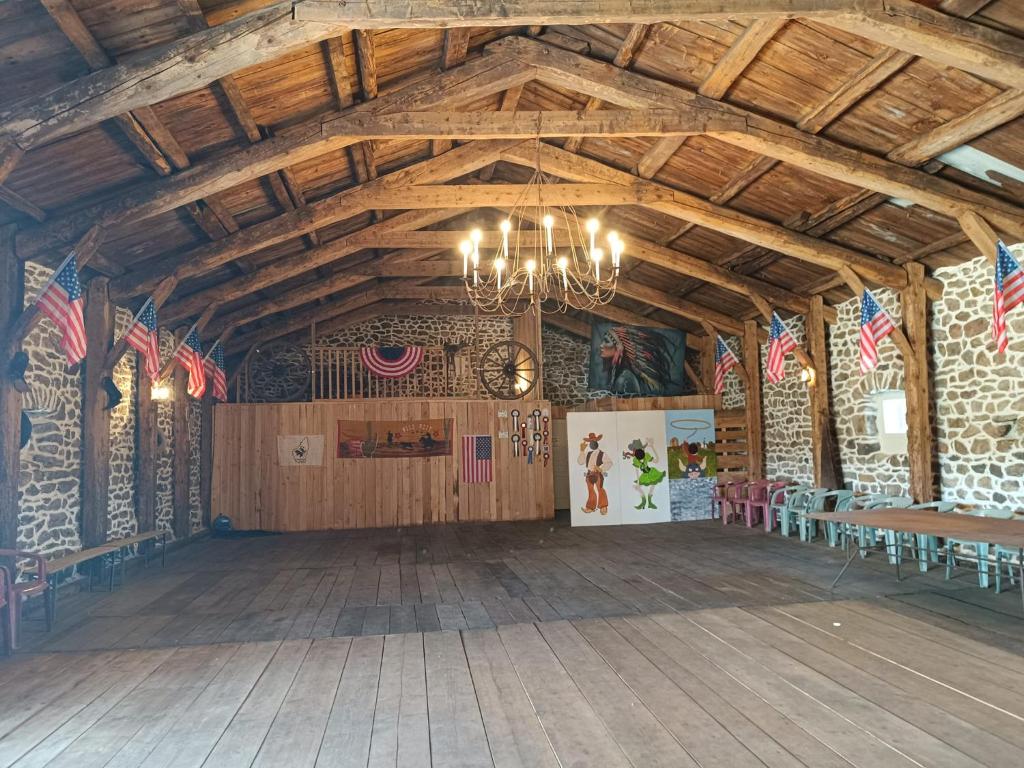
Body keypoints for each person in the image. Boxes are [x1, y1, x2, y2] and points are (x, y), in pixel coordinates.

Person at [625, 438, 666, 509]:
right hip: (645, 475)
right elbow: (637, 471)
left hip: (652, 473)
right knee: (637, 487)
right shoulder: (635, 460)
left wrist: (652, 447)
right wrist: (638, 482)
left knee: (652, 486)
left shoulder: (646, 455)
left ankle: (650, 502)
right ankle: (643, 502)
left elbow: (656, 460)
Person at [577, 432, 612, 515]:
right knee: (591, 490)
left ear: (597, 442)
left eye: (594, 441)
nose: (592, 443)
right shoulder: (588, 454)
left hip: (598, 474)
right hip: (589, 474)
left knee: (600, 489)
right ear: (589, 444)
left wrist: (601, 468)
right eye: (591, 441)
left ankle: (603, 506)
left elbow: (609, 463)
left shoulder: (602, 454)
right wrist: (582, 450)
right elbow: (580, 462)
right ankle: (590, 507)